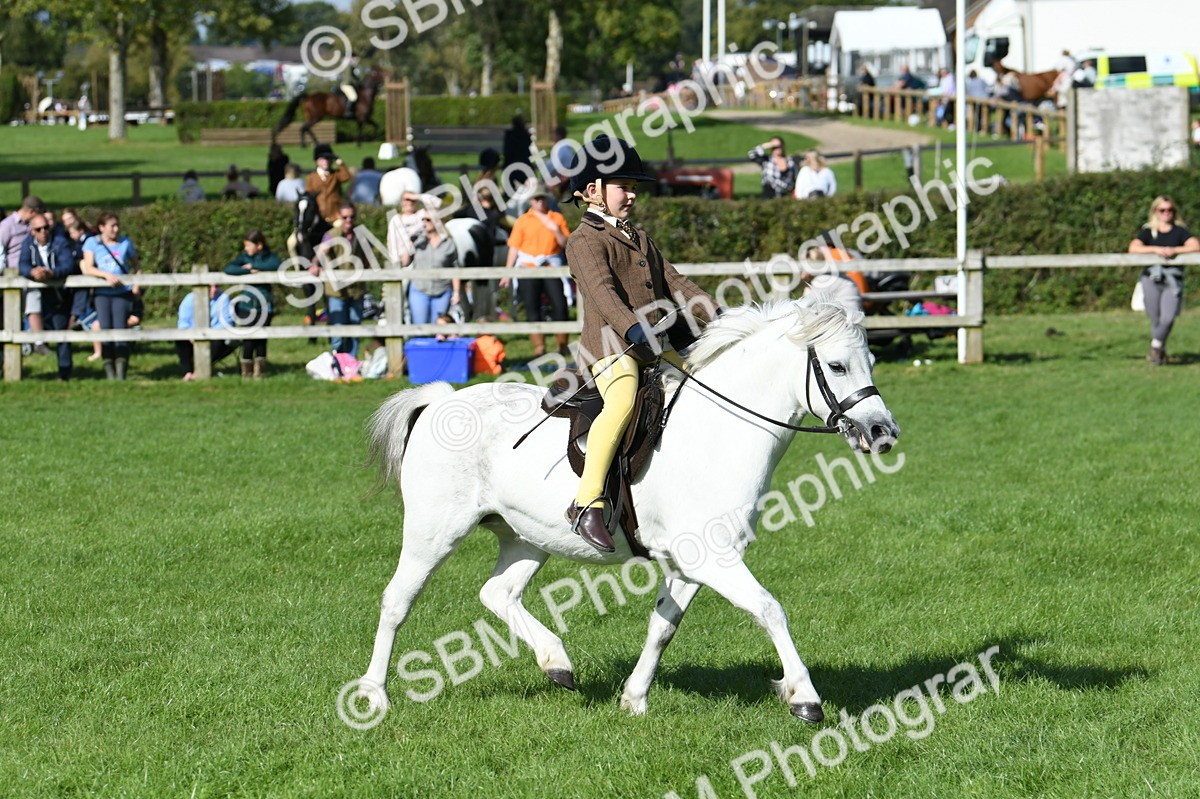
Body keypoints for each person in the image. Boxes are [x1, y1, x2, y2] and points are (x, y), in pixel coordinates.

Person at [562, 136, 718, 552]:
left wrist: (720, 316)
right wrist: (633, 329)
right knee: (623, 401)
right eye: (623, 186)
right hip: (610, 348)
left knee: (702, 384)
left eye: (634, 187)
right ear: (593, 190)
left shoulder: (640, 237)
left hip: (652, 343)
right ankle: (586, 501)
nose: (631, 194)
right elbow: (603, 293)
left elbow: (677, 283)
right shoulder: (583, 240)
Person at [500, 185, 571, 357]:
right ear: (531, 201)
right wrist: (507, 273)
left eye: (543, 198)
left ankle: (562, 344)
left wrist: (555, 230)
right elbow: (514, 248)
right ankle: (539, 346)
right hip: (528, 267)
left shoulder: (556, 218)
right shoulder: (523, 220)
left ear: (547, 199)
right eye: (536, 199)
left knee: (559, 304)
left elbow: (566, 245)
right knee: (532, 306)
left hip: (550, 266)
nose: (540, 202)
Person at [1128, 195, 1200, 365]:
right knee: (1155, 318)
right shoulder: (1148, 231)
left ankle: (1156, 346)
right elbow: (1133, 248)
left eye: (1170, 210)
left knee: (1168, 317)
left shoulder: (1180, 231)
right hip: (1151, 278)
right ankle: (1160, 352)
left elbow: (1195, 246)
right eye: (1162, 210)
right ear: (1155, 212)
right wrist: (1157, 250)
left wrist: (1175, 250)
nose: (1166, 213)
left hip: (1172, 281)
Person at [80, 211, 140, 380]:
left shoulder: (125, 243)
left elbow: (136, 265)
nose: (116, 229)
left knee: (120, 329)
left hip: (122, 293)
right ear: (101, 228)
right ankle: (109, 372)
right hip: (102, 293)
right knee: (105, 330)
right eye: (112, 226)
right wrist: (106, 276)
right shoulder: (92, 243)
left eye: (117, 225)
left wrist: (136, 284)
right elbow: (89, 267)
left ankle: (121, 371)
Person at [18, 212, 78, 380]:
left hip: (58, 295)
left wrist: (51, 273)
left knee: (61, 331)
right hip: (38, 294)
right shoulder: (28, 244)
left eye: (46, 227)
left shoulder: (60, 242)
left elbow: (68, 265)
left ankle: (64, 372)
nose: (43, 231)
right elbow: (22, 264)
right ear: (32, 231)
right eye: (39, 229)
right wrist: (32, 272)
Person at [224, 229, 281, 378]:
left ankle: (259, 371)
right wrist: (248, 271)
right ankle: (246, 371)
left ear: (259, 245)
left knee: (261, 338)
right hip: (247, 305)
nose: (246, 249)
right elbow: (229, 268)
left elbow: (276, 265)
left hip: (264, 305)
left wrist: (258, 268)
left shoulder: (270, 257)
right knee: (248, 337)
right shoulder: (244, 258)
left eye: (249, 245)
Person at [315, 202, 370, 357]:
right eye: (345, 217)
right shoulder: (331, 235)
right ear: (339, 217)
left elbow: (366, 259)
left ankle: (351, 364)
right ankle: (337, 363)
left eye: (352, 217)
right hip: (336, 291)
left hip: (356, 289)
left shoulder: (361, 234)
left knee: (354, 327)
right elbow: (321, 252)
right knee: (338, 330)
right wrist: (315, 265)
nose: (349, 220)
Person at [393, 209, 459, 326]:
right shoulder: (418, 240)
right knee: (420, 327)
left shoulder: (448, 242)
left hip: (442, 290)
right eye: (422, 220)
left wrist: (456, 292)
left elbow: (455, 269)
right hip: (420, 289)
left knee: (439, 327)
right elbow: (405, 262)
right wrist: (408, 242)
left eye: (428, 220)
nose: (424, 222)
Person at [175, 284, 238, 381]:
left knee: (219, 341)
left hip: (216, 336)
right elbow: (183, 322)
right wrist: (191, 335)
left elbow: (227, 323)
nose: (213, 290)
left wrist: (209, 335)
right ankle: (187, 372)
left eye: (216, 286)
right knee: (180, 339)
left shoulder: (224, 299)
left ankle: (198, 372)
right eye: (210, 287)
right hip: (192, 336)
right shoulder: (190, 298)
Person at [502, 115, 533, 193]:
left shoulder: (509, 135)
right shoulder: (526, 136)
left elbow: (507, 152)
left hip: (511, 164)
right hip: (524, 164)